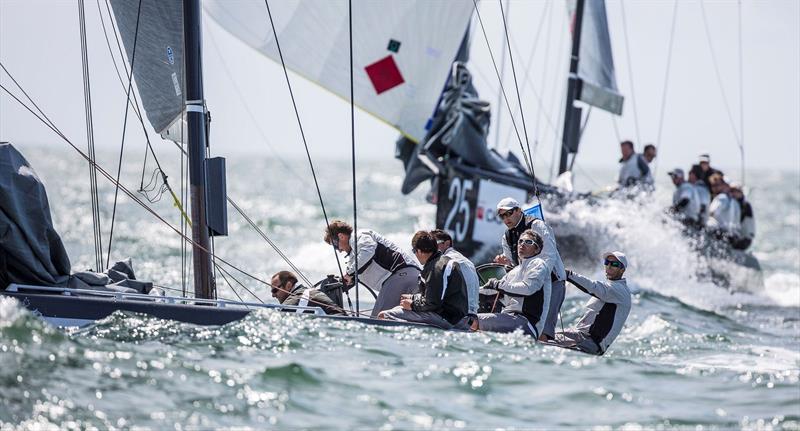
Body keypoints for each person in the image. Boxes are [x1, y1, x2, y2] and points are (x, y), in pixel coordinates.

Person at [492, 197, 566, 341]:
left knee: (544, 332)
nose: (506, 218)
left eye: (509, 213)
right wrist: (506, 264)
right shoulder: (506, 237)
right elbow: (514, 268)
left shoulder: (537, 225)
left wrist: (539, 279)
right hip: (530, 285)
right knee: (526, 329)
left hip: (553, 281)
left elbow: (549, 255)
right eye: (502, 216)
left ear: (519, 211)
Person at [324, 220, 420, 317]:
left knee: (378, 319)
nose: (339, 250)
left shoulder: (359, 236)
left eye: (335, 246)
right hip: (403, 278)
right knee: (399, 319)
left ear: (341, 236)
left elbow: (368, 253)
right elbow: (356, 272)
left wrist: (349, 273)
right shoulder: (354, 255)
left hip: (400, 275)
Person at [378, 231, 470, 329]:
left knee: (384, 315)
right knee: (398, 309)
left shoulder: (435, 268)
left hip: (447, 319)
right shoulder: (443, 261)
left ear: (420, 251)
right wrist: (413, 298)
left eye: (414, 251)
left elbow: (433, 303)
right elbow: (437, 296)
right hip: (455, 317)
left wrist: (412, 304)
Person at [474, 230, 551, 338]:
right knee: (470, 319)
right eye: (520, 241)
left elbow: (528, 288)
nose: (522, 244)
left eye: (528, 242)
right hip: (509, 318)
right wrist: (470, 290)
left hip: (526, 323)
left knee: (471, 321)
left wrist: (497, 285)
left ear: (537, 249)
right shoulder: (514, 271)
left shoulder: (538, 264)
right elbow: (492, 290)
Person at [553, 251, 632, 355]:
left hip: (589, 343)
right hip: (581, 337)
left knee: (541, 339)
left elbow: (592, 286)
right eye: (607, 262)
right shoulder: (611, 288)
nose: (609, 266)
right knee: (544, 336)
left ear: (622, 270)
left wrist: (568, 275)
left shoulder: (618, 290)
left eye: (614, 264)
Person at [431, 229, 479, 320]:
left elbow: (434, 299)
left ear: (447, 243)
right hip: (472, 315)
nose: (431, 248)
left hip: (455, 317)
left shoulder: (444, 261)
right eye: (429, 245)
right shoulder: (466, 261)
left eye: (435, 244)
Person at [271, 270, 344, 315]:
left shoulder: (301, 296)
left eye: (275, 290)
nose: (273, 295)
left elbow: (282, 313)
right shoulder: (306, 293)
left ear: (288, 285)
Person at [706, 175, 742, 241]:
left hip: (718, 234)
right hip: (729, 235)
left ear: (726, 186)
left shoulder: (721, 197)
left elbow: (711, 212)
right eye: (713, 185)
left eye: (718, 185)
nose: (715, 187)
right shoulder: (734, 201)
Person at [730, 183, 755, 250]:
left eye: (736, 191)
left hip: (745, 238)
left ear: (741, 193)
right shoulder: (735, 204)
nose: (733, 194)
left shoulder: (745, 205)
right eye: (732, 191)